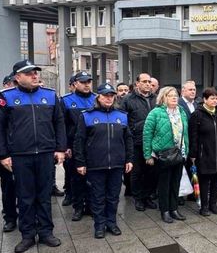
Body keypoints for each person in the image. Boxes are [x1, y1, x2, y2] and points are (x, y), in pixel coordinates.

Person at [0, 60, 66, 253]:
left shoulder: (50, 96)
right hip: (20, 155)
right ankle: (27, 235)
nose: (35, 76)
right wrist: (3, 155)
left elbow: (59, 123)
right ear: (17, 77)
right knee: (25, 198)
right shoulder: (7, 97)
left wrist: (60, 148)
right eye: (29, 73)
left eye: (36, 72)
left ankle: (45, 232)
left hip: (45, 154)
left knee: (44, 196)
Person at [74, 83, 133, 238]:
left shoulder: (122, 115)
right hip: (95, 165)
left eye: (111, 95)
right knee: (98, 197)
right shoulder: (87, 115)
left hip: (117, 164)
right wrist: (80, 162)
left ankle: (111, 223)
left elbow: (128, 140)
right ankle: (99, 225)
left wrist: (129, 159)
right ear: (98, 97)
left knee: (113, 197)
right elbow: (79, 141)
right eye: (105, 95)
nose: (109, 98)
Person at [143, 86, 189, 223]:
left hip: (179, 154)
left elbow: (185, 133)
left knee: (176, 183)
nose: (174, 98)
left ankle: (174, 209)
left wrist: (186, 150)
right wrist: (147, 155)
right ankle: (165, 211)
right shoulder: (155, 113)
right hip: (163, 155)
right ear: (163, 98)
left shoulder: (181, 111)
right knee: (164, 184)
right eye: (170, 95)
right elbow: (147, 135)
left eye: (176, 95)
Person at [60, 71, 96, 219]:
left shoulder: (96, 99)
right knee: (76, 178)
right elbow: (61, 125)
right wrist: (64, 146)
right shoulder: (66, 100)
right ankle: (78, 207)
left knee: (92, 178)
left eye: (88, 81)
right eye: (83, 82)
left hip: (93, 146)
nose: (86, 84)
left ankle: (90, 206)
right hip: (74, 147)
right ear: (75, 84)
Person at [188, 88, 217, 216]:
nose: (215, 101)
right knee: (204, 181)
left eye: (216, 98)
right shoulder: (197, 114)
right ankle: (204, 206)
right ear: (204, 99)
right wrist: (193, 154)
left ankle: (213, 204)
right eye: (212, 98)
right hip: (204, 153)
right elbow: (193, 136)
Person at [120, 73, 157, 211]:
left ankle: (147, 196)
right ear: (137, 84)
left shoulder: (156, 99)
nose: (148, 84)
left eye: (149, 81)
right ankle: (138, 198)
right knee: (137, 172)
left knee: (151, 171)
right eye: (144, 81)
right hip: (136, 141)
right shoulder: (128, 99)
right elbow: (123, 121)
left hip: (153, 142)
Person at [0, 74, 18, 233]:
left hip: (23, 151)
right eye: (12, 83)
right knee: (8, 187)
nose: (14, 86)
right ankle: (10, 217)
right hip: (6, 152)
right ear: (5, 84)